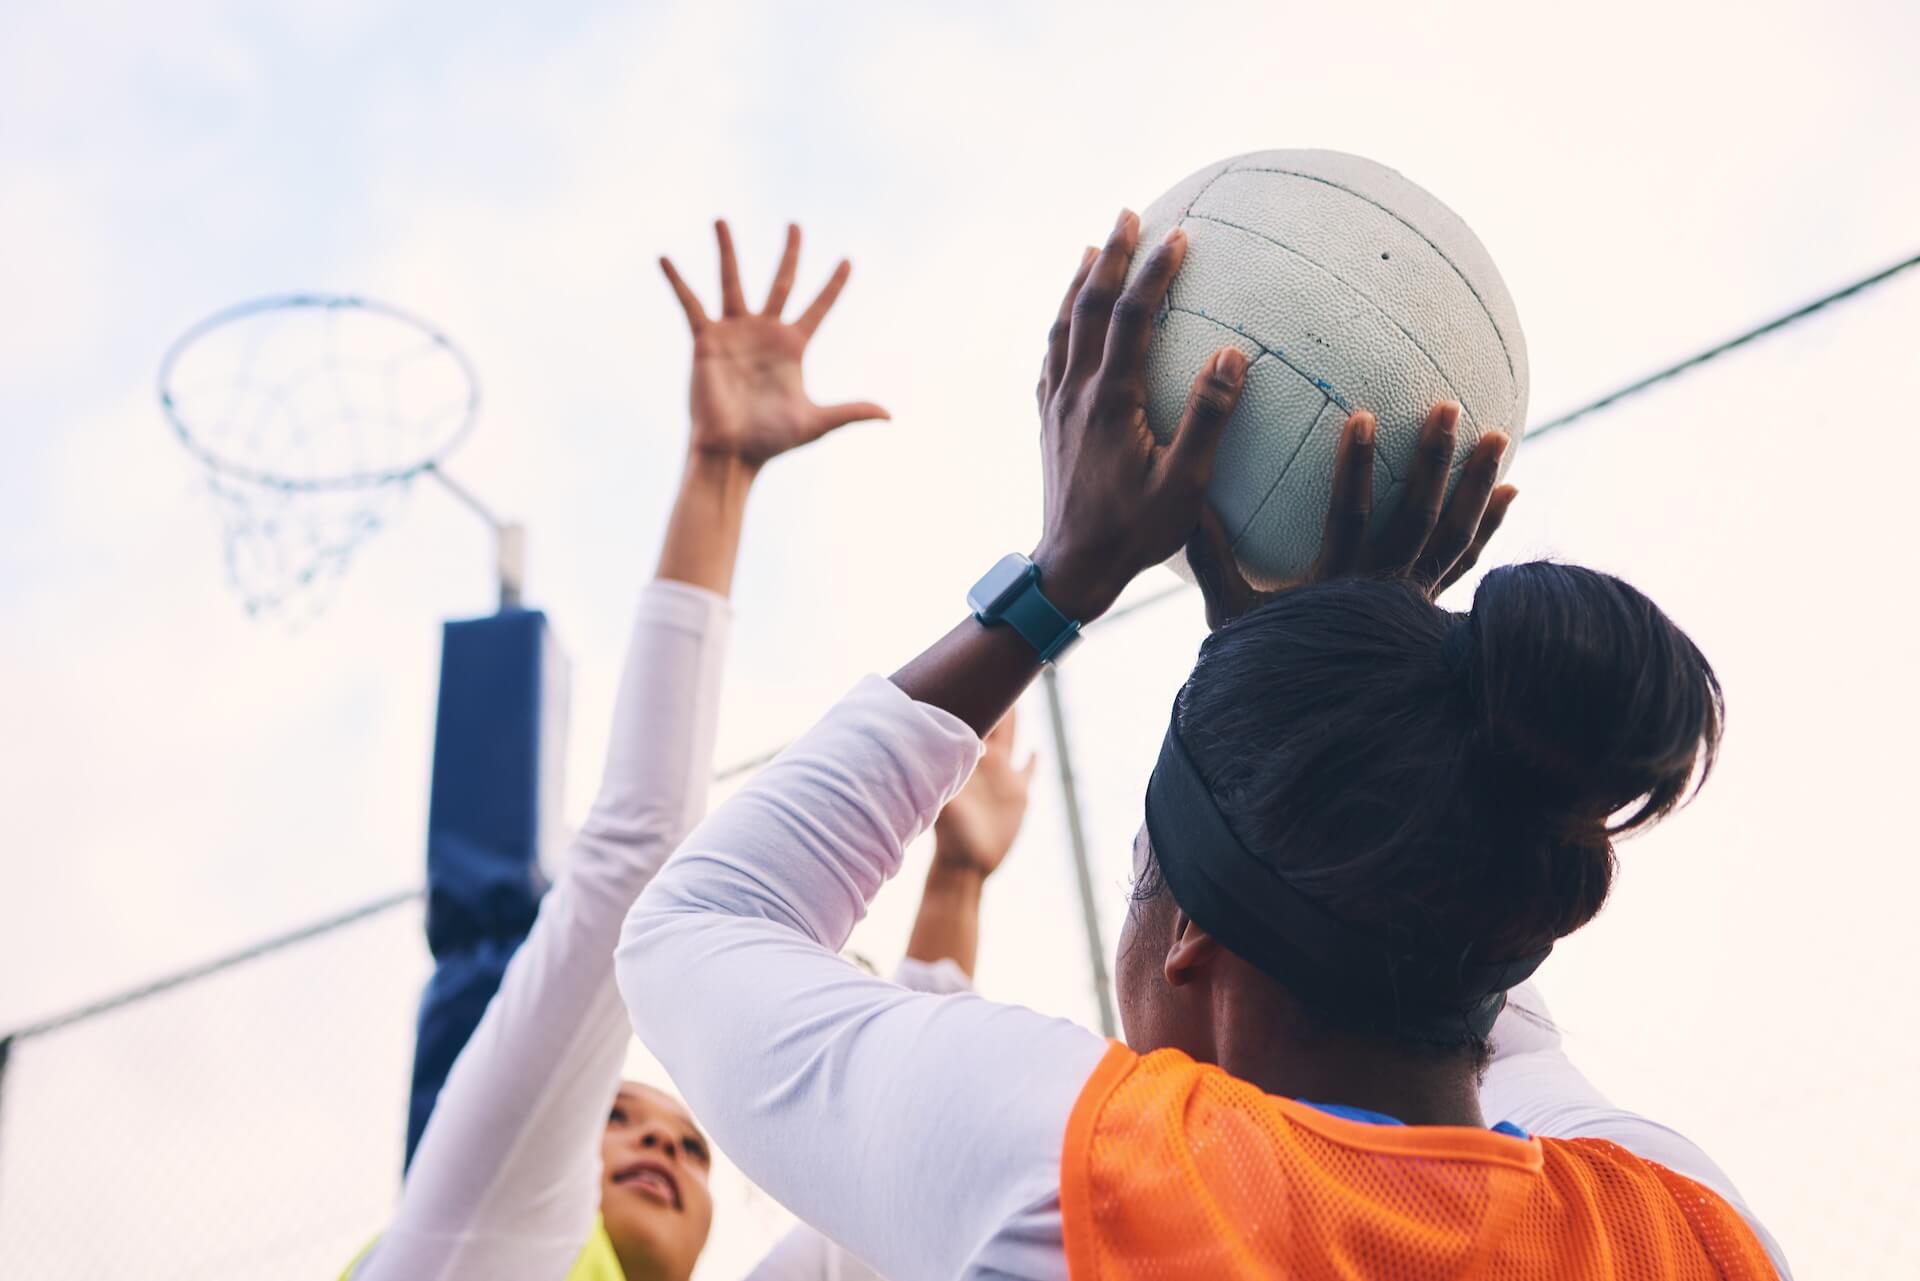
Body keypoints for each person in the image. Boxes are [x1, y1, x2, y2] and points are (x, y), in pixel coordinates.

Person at [615, 210, 1792, 1279]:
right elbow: (1458, 953)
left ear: (1190, 941)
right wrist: (1342, 670)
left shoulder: (1102, 1183)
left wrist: (1059, 578)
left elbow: (697, 924)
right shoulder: (1690, 1232)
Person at [347, 218, 908, 1281]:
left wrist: (962, 877)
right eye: (620, 1117)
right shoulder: (483, 1235)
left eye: (693, 1147)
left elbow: (870, 1223)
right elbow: (632, 857)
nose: (663, 1142)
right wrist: (720, 473)